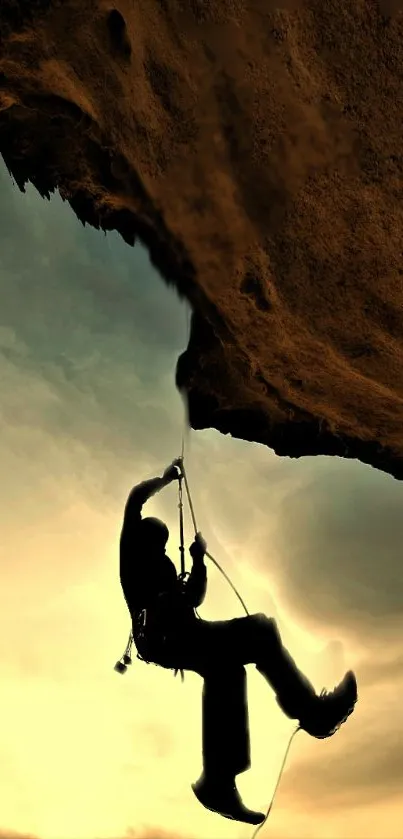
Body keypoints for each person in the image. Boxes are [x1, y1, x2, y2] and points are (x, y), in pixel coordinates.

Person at [119, 460, 358, 826]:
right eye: (157, 540)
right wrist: (165, 480)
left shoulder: (165, 568)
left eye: (164, 544)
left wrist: (198, 563)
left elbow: (194, 598)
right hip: (162, 639)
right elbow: (135, 499)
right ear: (143, 538)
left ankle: (218, 781)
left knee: (227, 672)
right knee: (258, 632)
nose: (162, 548)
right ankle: (313, 714)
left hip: (181, 638)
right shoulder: (131, 556)